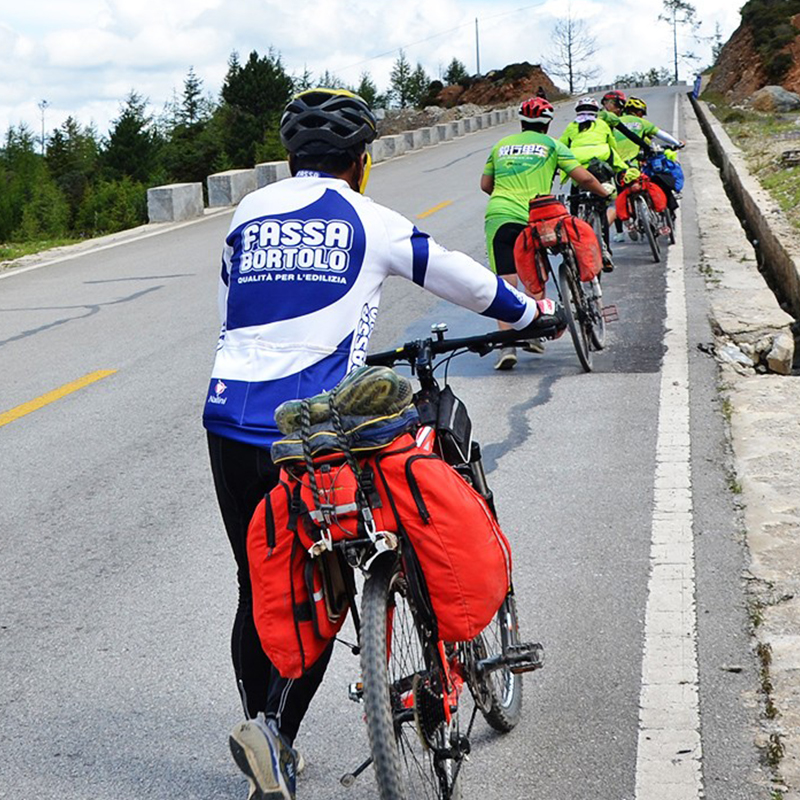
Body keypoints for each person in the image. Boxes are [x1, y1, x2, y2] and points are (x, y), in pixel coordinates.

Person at [203, 87, 564, 800]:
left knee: (259, 581)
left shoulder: (247, 213)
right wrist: (532, 313)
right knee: (323, 588)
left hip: (225, 415)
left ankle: (261, 727)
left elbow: (232, 311)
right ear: (362, 163)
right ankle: (277, 738)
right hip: (306, 426)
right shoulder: (369, 218)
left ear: (290, 159)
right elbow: (460, 276)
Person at [481, 95, 614, 370]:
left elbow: (485, 185)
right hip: (536, 216)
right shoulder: (552, 145)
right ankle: (534, 329)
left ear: (522, 122)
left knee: (506, 282)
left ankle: (507, 345)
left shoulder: (500, 146)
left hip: (500, 216)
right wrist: (605, 193)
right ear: (548, 124)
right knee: (535, 272)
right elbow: (585, 178)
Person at [558, 96, 627, 270]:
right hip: (599, 170)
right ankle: (606, 251)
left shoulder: (572, 127)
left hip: (578, 170)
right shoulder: (602, 125)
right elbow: (612, 146)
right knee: (602, 209)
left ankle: (574, 247)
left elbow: (561, 147)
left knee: (574, 207)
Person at [613, 96, 684, 240]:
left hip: (617, 165)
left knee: (620, 195)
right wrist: (677, 143)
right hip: (635, 164)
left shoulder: (613, 123)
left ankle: (622, 231)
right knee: (654, 182)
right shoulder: (641, 123)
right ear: (637, 112)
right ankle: (662, 212)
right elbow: (660, 135)